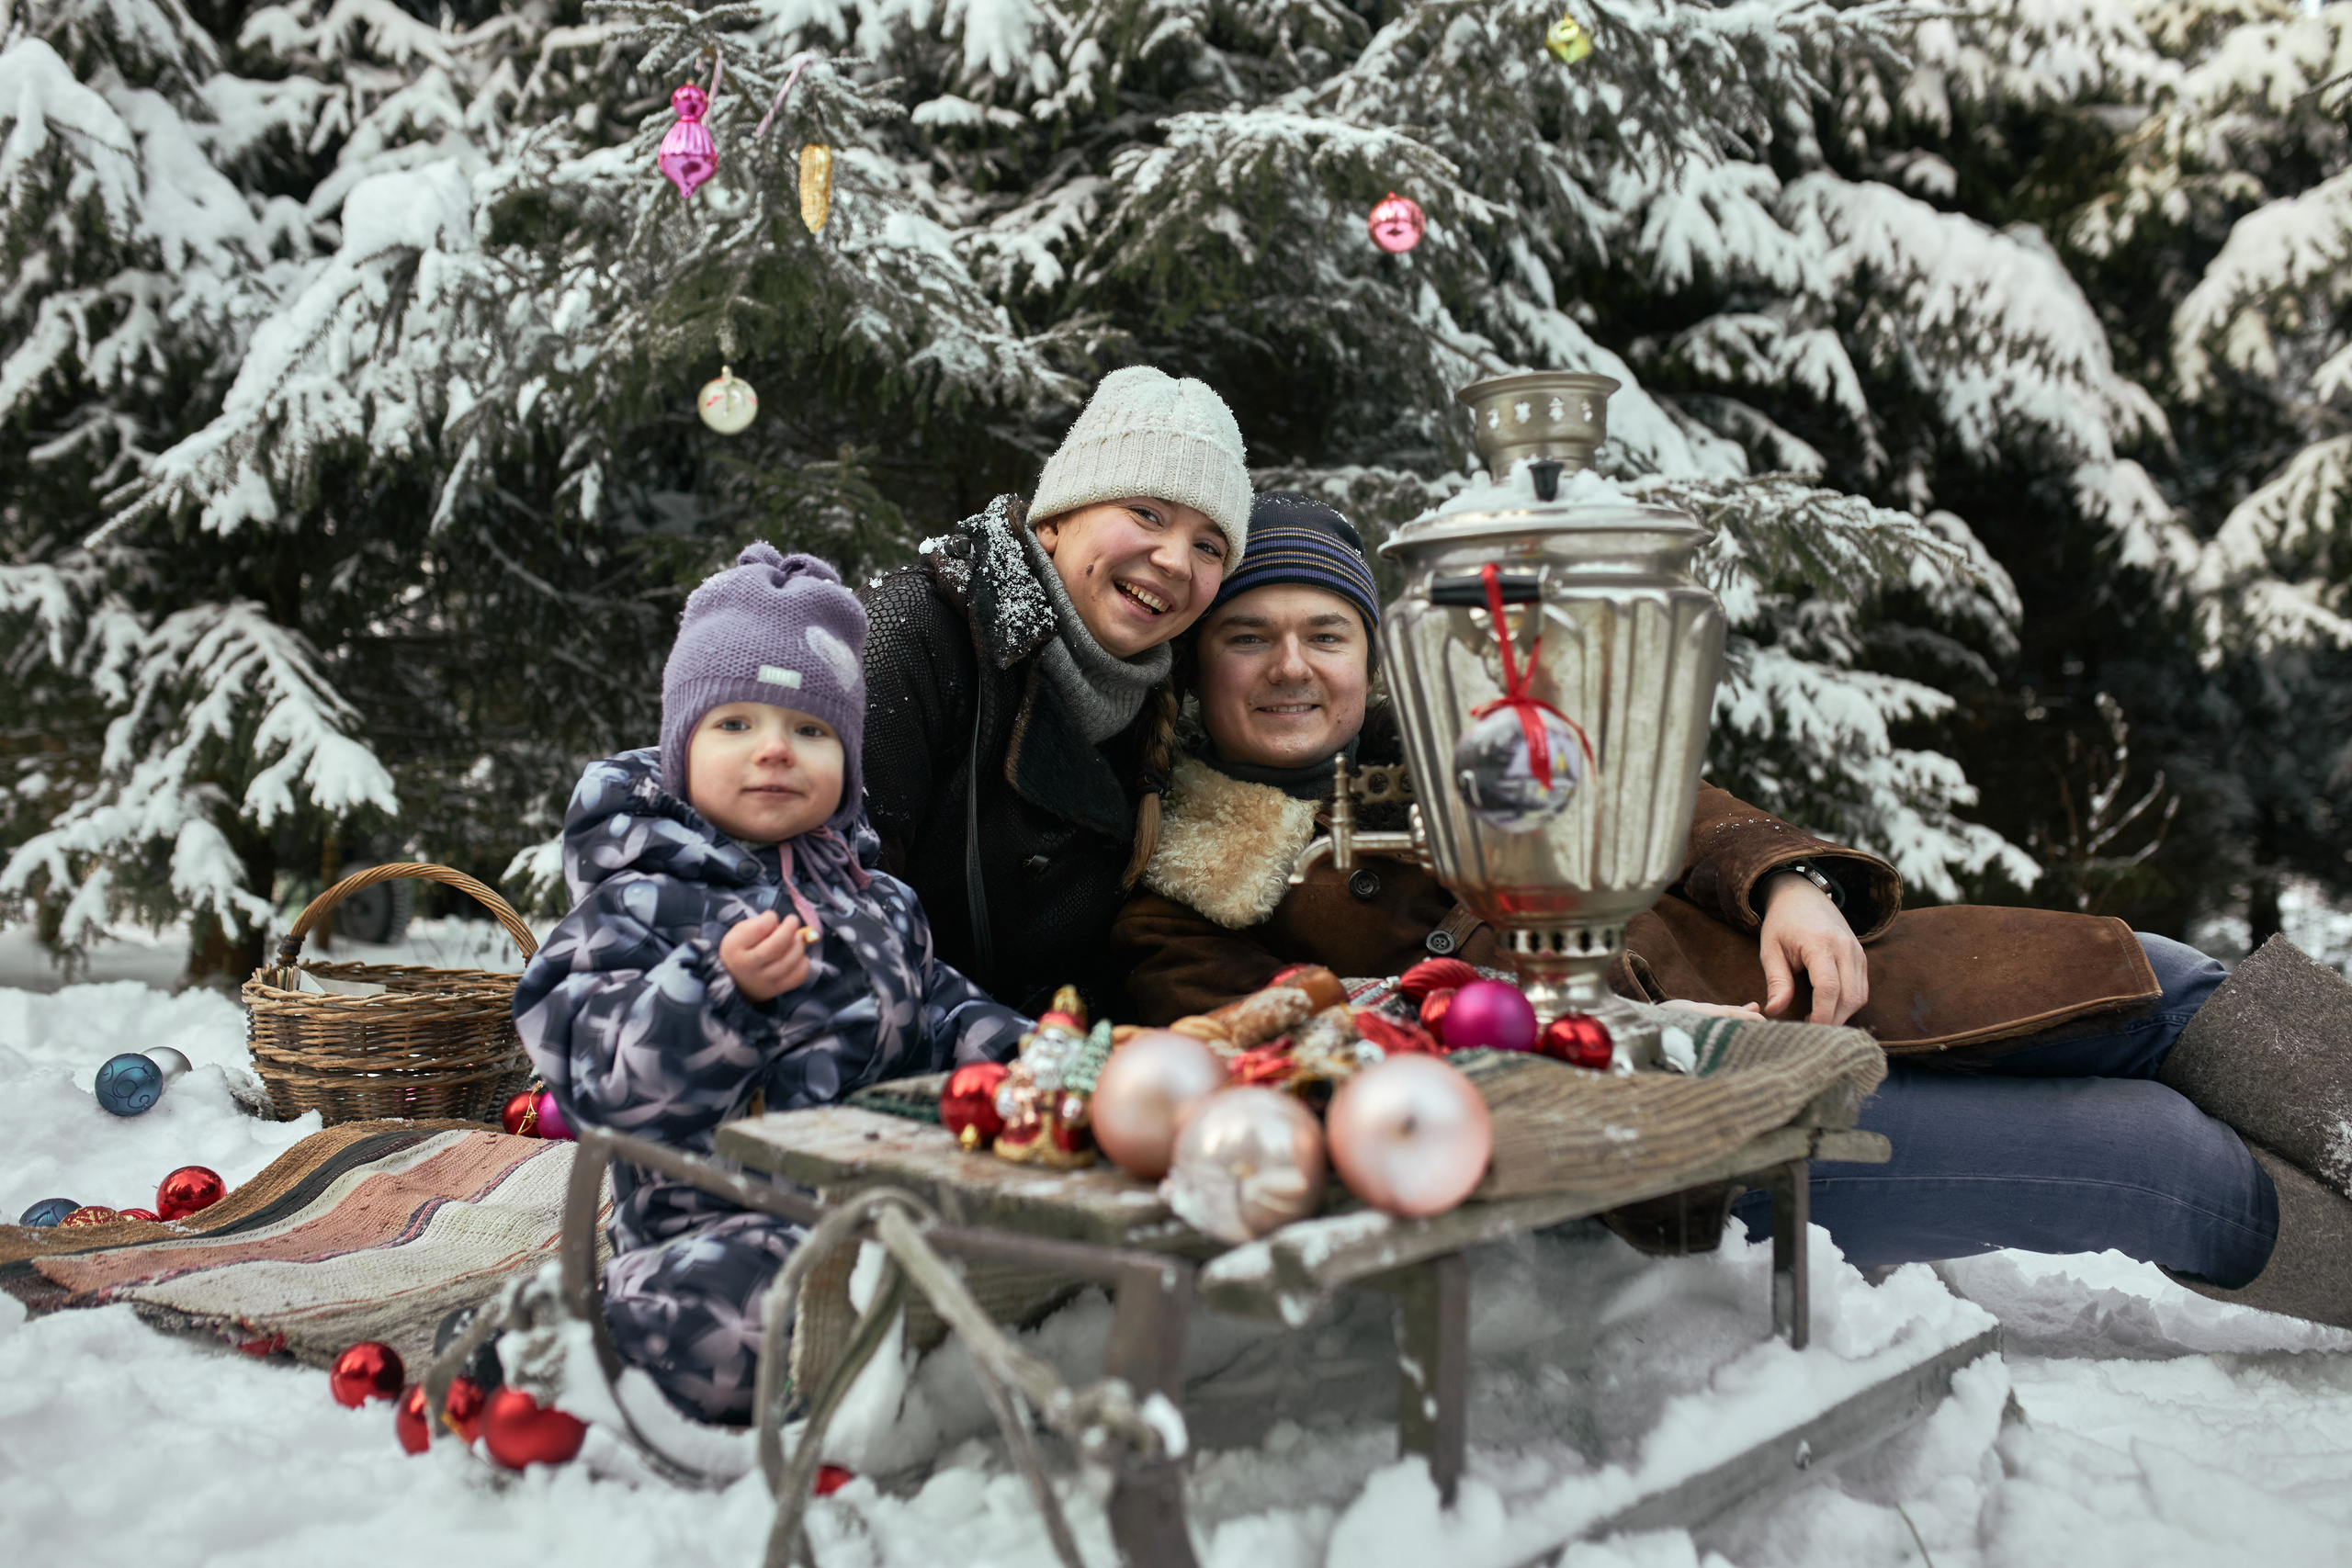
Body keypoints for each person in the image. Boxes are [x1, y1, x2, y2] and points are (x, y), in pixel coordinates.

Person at [1114, 495, 2352, 1328]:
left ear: (1369, 656)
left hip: (1782, 976)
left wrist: (1786, 881)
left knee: (2147, 972)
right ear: (1197, 663)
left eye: (1325, 631)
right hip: (1681, 1129)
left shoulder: (1459, 739)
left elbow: (1665, 792)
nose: (1292, 665)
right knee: (2153, 1154)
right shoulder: (1182, 885)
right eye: (1249, 636)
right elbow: (1284, 1056)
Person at [514, 545, 1029, 1423]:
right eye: (736, 724)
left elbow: (935, 1008)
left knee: (1001, 1267)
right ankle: (567, 1342)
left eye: (811, 730)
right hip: (715, 1220)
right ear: (681, 748)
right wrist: (718, 993)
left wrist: (1025, 1054)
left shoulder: (876, 901)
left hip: (872, 1205)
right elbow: (604, 1083)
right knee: (751, 1315)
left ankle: (891, 1347)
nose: (775, 752)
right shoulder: (638, 903)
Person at [859, 366, 1250, 1018]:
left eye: (1208, 546)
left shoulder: (1167, 707)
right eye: (1146, 512)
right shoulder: (920, 634)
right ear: (1054, 521)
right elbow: (832, 904)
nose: (1176, 561)